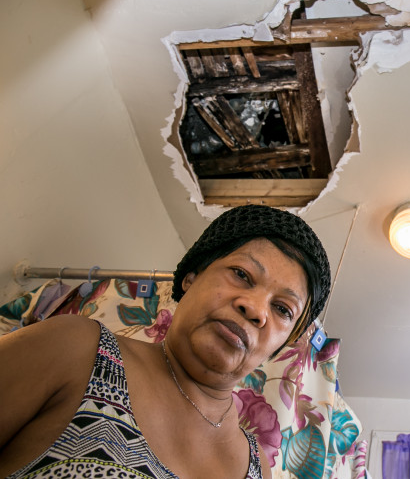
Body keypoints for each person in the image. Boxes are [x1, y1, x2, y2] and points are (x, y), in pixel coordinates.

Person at [0, 205, 331, 478]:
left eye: (282, 309)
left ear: (281, 345)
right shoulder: (75, 350)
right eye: (241, 274)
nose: (256, 308)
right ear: (191, 277)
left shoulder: (257, 466)